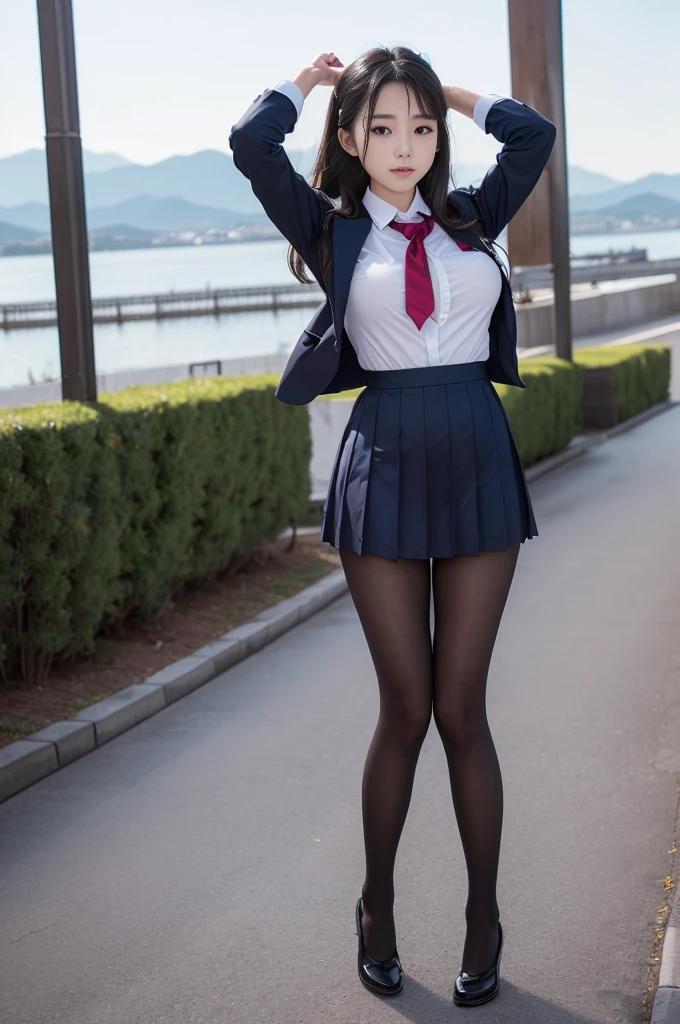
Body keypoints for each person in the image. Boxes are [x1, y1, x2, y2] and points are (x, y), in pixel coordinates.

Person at [229, 45, 556, 1007]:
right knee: (405, 712)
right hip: (383, 462)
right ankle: (376, 908)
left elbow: (531, 135)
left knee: (464, 710)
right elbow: (251, 143)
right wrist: (311, 78)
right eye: (383, 127)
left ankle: (482, 920)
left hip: (477, 459)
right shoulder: (330, 233)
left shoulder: (470, 218)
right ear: (350, 140)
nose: (406, 144)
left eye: (422, 128)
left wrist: (440, 86)